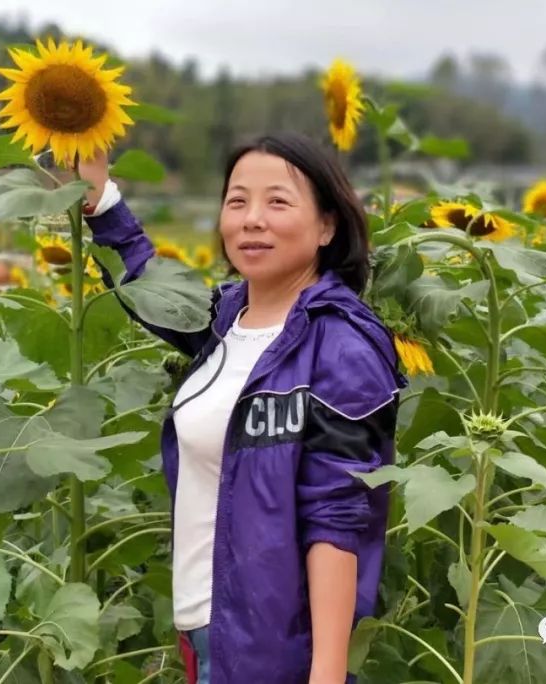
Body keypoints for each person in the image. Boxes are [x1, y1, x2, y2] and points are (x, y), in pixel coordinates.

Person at [78, 132, 408, 684]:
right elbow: (154, 289)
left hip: (274, 651)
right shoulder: (227, 320)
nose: (252, 219)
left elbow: (337, 521)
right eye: (237, 201)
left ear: (327, 225)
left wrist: (325, 675)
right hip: (204, 631)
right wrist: (99, 201)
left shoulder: (342, 347)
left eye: (277, 202)